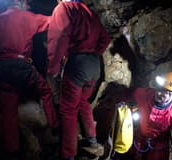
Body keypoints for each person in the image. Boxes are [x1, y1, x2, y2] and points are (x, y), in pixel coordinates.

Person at [0, 0, 58, 158]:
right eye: (26, 3)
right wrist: (64, 7)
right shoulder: (26, 17)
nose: (28, 6)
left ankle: (13, 150)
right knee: (45, 91)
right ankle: (55, 126)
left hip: (2, 67)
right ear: (17, 2)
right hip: (21, 65)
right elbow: (52, 21)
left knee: (9, 106)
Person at [46, 0, 111, 159]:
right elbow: (105, 38)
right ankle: (92, 140)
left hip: (77, 64)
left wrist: (53, 68)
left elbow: (59, 36)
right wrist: (93, 52)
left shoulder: (65, 8)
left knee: (68, 110)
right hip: (94, 64)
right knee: (83, 101)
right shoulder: (89, 12)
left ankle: (68, 154)